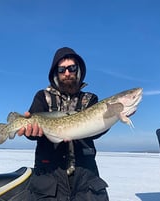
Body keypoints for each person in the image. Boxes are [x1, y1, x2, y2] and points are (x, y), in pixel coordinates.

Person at [18, 47, 109, 201]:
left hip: (85, 178)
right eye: (62, 69)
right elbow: (34, 129)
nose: (67, 73)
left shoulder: (90, 99)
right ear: (56, 72)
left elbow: (96, 129)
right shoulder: (42, 97)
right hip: (49, 177)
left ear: (78, 70)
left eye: (71, 68)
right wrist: (29, 131)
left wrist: (112, 115)